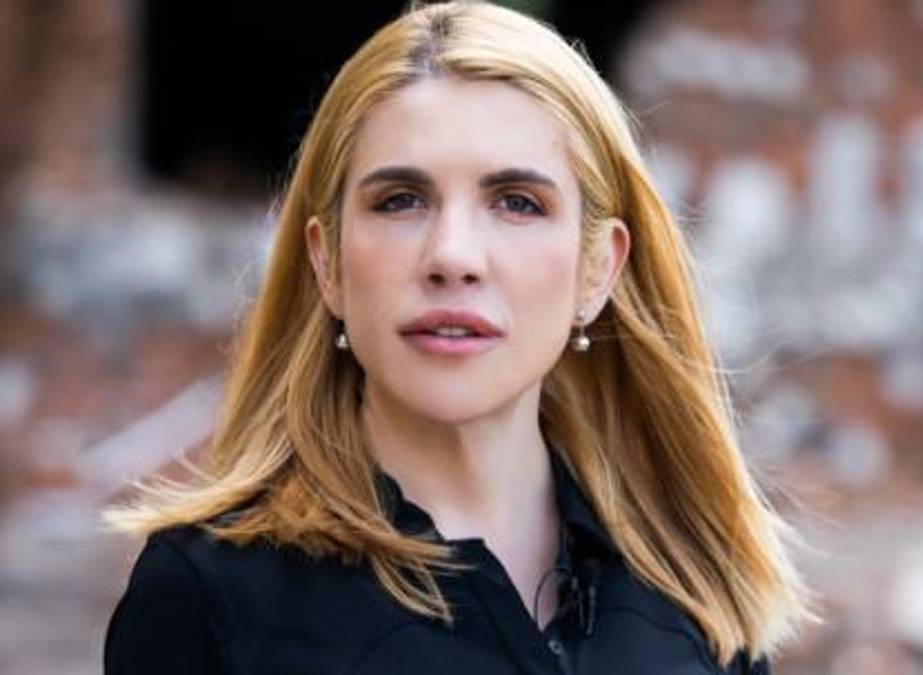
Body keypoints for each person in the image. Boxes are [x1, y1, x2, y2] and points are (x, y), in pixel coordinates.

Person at [101, 1, 816, 673]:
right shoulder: (211, 596)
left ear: (599, 269)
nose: (453, 255)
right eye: (400, 200)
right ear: (327, 263)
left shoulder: (692, 590)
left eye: (517, 203)